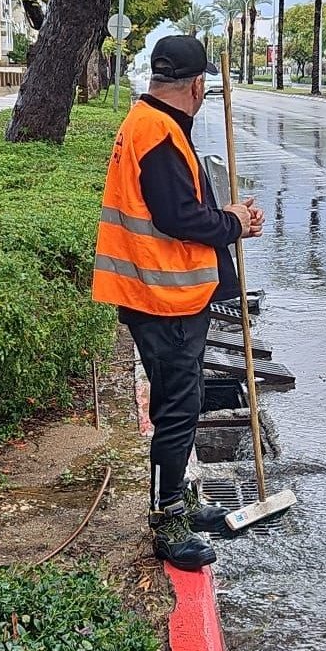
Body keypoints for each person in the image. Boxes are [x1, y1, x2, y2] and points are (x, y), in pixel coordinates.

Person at [92, 35, 265, 571]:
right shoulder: (159, 134)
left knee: (180, 405)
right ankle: (168, 517)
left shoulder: (148, 124)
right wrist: (232, 223)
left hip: (163, 292)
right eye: (204, 87)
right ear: (196, 86)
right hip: (161, 296)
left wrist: (228, 215)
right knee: (176, 409)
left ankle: (180, 500)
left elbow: (177, 205)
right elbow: (177, 217)